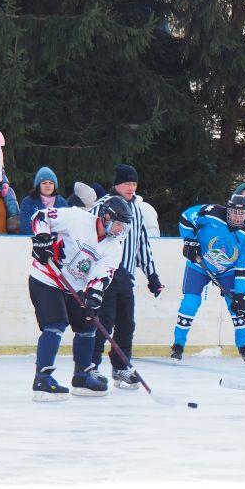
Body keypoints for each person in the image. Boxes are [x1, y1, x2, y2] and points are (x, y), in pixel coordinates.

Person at [28, 198, 130, 401]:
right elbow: (40, 216)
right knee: (56, 323)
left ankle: (82, 376)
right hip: (46, 278)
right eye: (119, 223)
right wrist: (42, 239)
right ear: (106, 217)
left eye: (124, 226)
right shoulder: (77, 218)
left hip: (74, 287)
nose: (120, 229)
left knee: (88, 325)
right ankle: (42, 379)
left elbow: (102, 276)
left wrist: (94, 296)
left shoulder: (114, 247)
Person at [89, 164, 163, 387]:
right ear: (116, 184)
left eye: (134, 183)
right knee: (104, 322)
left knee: (126, 324)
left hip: (126, 277)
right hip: (103, 278)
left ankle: (121, 367)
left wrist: (152, 276)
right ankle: (90, 366)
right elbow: (89, 238)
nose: (131, 187)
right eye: (127, 183)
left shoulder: (137, 210)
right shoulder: (101, 207)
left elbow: (142, 245)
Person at [171, 193, 245, 362]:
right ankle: (178, 345)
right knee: (190, 303)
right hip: (199, 264)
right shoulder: (212, 213)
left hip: (228, 271)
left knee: (238, 307)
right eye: (234, 212)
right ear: (228, 210)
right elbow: (186, 217)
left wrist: (241, 293)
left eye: (242, 214)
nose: (238, 217)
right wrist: (190, 241)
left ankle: (243, 347)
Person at [19, 167, 70, 235]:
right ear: (38, 185)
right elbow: (25, 227)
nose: (48, 185)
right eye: (44, 183)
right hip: (33, 242)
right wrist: (50, 231)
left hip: (58, 244)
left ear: (55, 186)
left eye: (51, 183)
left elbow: (67, 227)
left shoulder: (62, 202)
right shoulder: (28, 202)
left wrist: (43, 228)